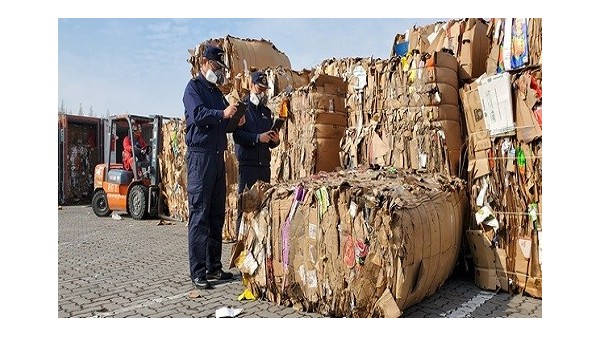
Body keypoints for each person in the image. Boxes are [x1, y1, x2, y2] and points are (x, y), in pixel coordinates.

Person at [183, 45, 244, 290]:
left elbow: (222, 123)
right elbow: (198, 115)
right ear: (204, 62)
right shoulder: (193, 88)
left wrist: (235, 119)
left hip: (218, 157)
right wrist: (222, 113)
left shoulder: (216, 92)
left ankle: (214, 267)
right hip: (200, 158)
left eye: (220, 68)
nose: (218, 72)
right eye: (216, 66)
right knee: (199, 215)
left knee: (216, 214)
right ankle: (198, 272)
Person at [233, 71, 280, 236]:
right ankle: (240, 241)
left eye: (264, 90)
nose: (262, 93)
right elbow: (237, 136)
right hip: (248, 166)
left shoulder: (267, 113)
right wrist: (257, 138)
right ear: (251, 86)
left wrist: (275, 140)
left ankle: (259, 244)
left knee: (262, 205)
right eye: (259, 89)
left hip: (264, 166)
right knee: (245, 205)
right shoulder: (242, 109)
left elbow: (271, 143)